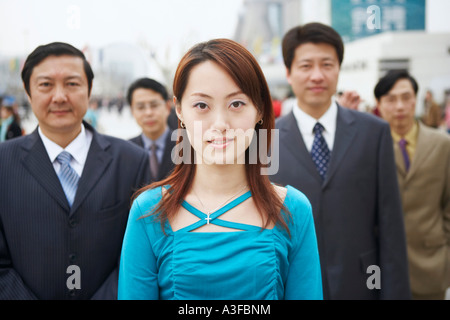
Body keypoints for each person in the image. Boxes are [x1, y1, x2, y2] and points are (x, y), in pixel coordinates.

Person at [118, 38, 323, 300]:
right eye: (202, 105)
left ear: (260, 109)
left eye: (236, 104)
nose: (220, 123)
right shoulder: (149, 211)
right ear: (179, 110)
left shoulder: (292, 209)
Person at [270, 22, 411, 299]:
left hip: (362, 282)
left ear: (338, 68)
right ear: (288, 72)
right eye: (306, 66)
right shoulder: (266, 139)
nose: (317, 75)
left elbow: (390, 225)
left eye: (327, 64)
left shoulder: (374, 132)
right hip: (291, 285)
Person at [0, 42, 150, 299]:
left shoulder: (131, 161)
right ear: (28, 92)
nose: (59, 96)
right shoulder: (3, 162)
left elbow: (140, 254)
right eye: (46, 85)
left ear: (89, 89)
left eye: (72, 84)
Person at [374, 70, 450, 300]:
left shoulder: (442, 144)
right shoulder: (369, 147)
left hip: (432, 262)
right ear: (379, 104)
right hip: (381, 266)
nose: (400, 106)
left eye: (406, 97)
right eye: (390, 99)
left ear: (416, 99)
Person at [127, 78, 176, 181]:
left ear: (167, 107)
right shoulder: (125, 151)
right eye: (140, 107)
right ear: (132, 111)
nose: (148, 113)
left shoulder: (187, 147)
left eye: (154, 105)